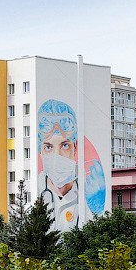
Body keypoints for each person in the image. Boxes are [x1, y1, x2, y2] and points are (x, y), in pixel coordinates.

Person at [38, 99, 80, 231]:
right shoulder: (32, 192)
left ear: (75, 147)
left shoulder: (87, 193)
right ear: (40, 152)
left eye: (65, 146)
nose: (57, 156)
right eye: (48, 147)